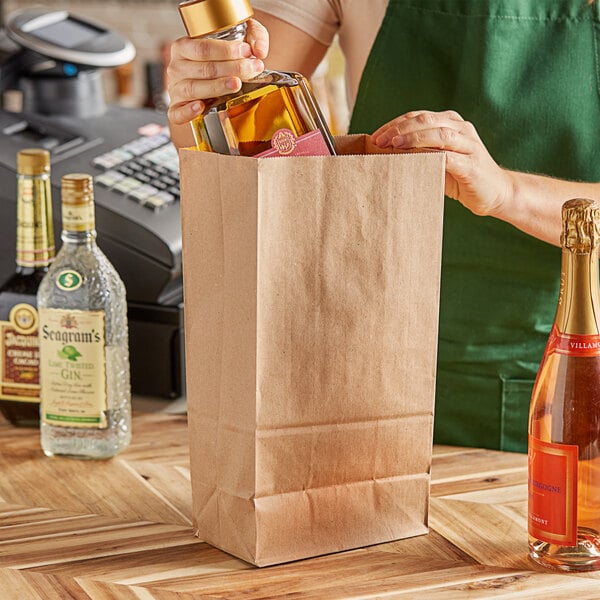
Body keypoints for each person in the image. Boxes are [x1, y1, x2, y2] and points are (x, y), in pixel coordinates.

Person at [167, 1, 600, 453]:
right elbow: (223, 133)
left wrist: (507, 192)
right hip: (360, 352)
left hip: (564, 374)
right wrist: (199, 85)